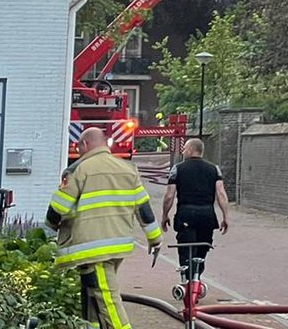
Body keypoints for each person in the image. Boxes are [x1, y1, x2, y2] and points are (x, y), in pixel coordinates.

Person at [46, 127, 162, 329]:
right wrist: (155, 239)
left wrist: (49, 230)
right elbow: (143, 209)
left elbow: (58, 208)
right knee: (93, 296)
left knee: (108, 299)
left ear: (85, 145)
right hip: (119, 245)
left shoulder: (77, 170)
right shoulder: (128, 169)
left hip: (92, 249)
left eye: (78, 146)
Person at [162, 138, 230, 277]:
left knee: (186, 247)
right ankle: (197, 275)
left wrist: (165, 215)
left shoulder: (178, 168)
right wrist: (225, 217)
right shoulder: (214, 169)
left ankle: (186, 278)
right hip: (207, 215)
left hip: (186, 213)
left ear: (192, 150)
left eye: (185, 149)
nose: (183, 151)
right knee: (203, 246)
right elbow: (221, 193)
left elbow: (169, 195)